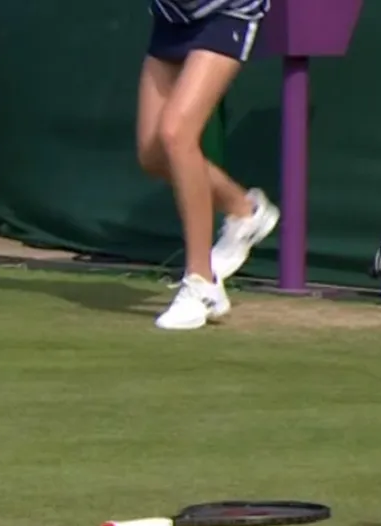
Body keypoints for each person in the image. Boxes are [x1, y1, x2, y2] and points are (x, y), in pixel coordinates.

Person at [139, 0, 282, 330]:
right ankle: (243, 209)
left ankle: (200, 283)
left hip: (226, 12)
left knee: (176, 133)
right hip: (172, 15)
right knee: (152, 155)